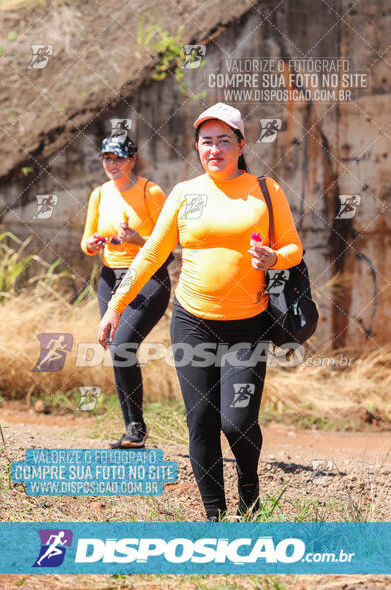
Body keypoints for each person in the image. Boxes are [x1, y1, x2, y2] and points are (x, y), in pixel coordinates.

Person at [97, 103, 303, 520]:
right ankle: (214, 518)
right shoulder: (185, 193)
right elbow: (153, 252)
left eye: (224, 140)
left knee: (237, 420)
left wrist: (272, 258)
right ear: (197, 146)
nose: (214, 149)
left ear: (241, 145)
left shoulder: (266, 189)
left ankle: (250, 491)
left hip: (248, 324)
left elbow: (294, 247)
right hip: (192, 323)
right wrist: (115, 306)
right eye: (206, 141)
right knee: (202, 423)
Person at [81, 135, 171, 448]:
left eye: (119, 158)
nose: (112, 165)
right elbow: (86, 240)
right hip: (111, 278)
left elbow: (167, 248)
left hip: (148, 278)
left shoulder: (151, 192)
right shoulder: (99, 194)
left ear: (132, 159)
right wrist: (91, 244)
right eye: (107, 158)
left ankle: (137, 429)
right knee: (116, 349)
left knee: (122, 346)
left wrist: (137, 239)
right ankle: (133, 430)